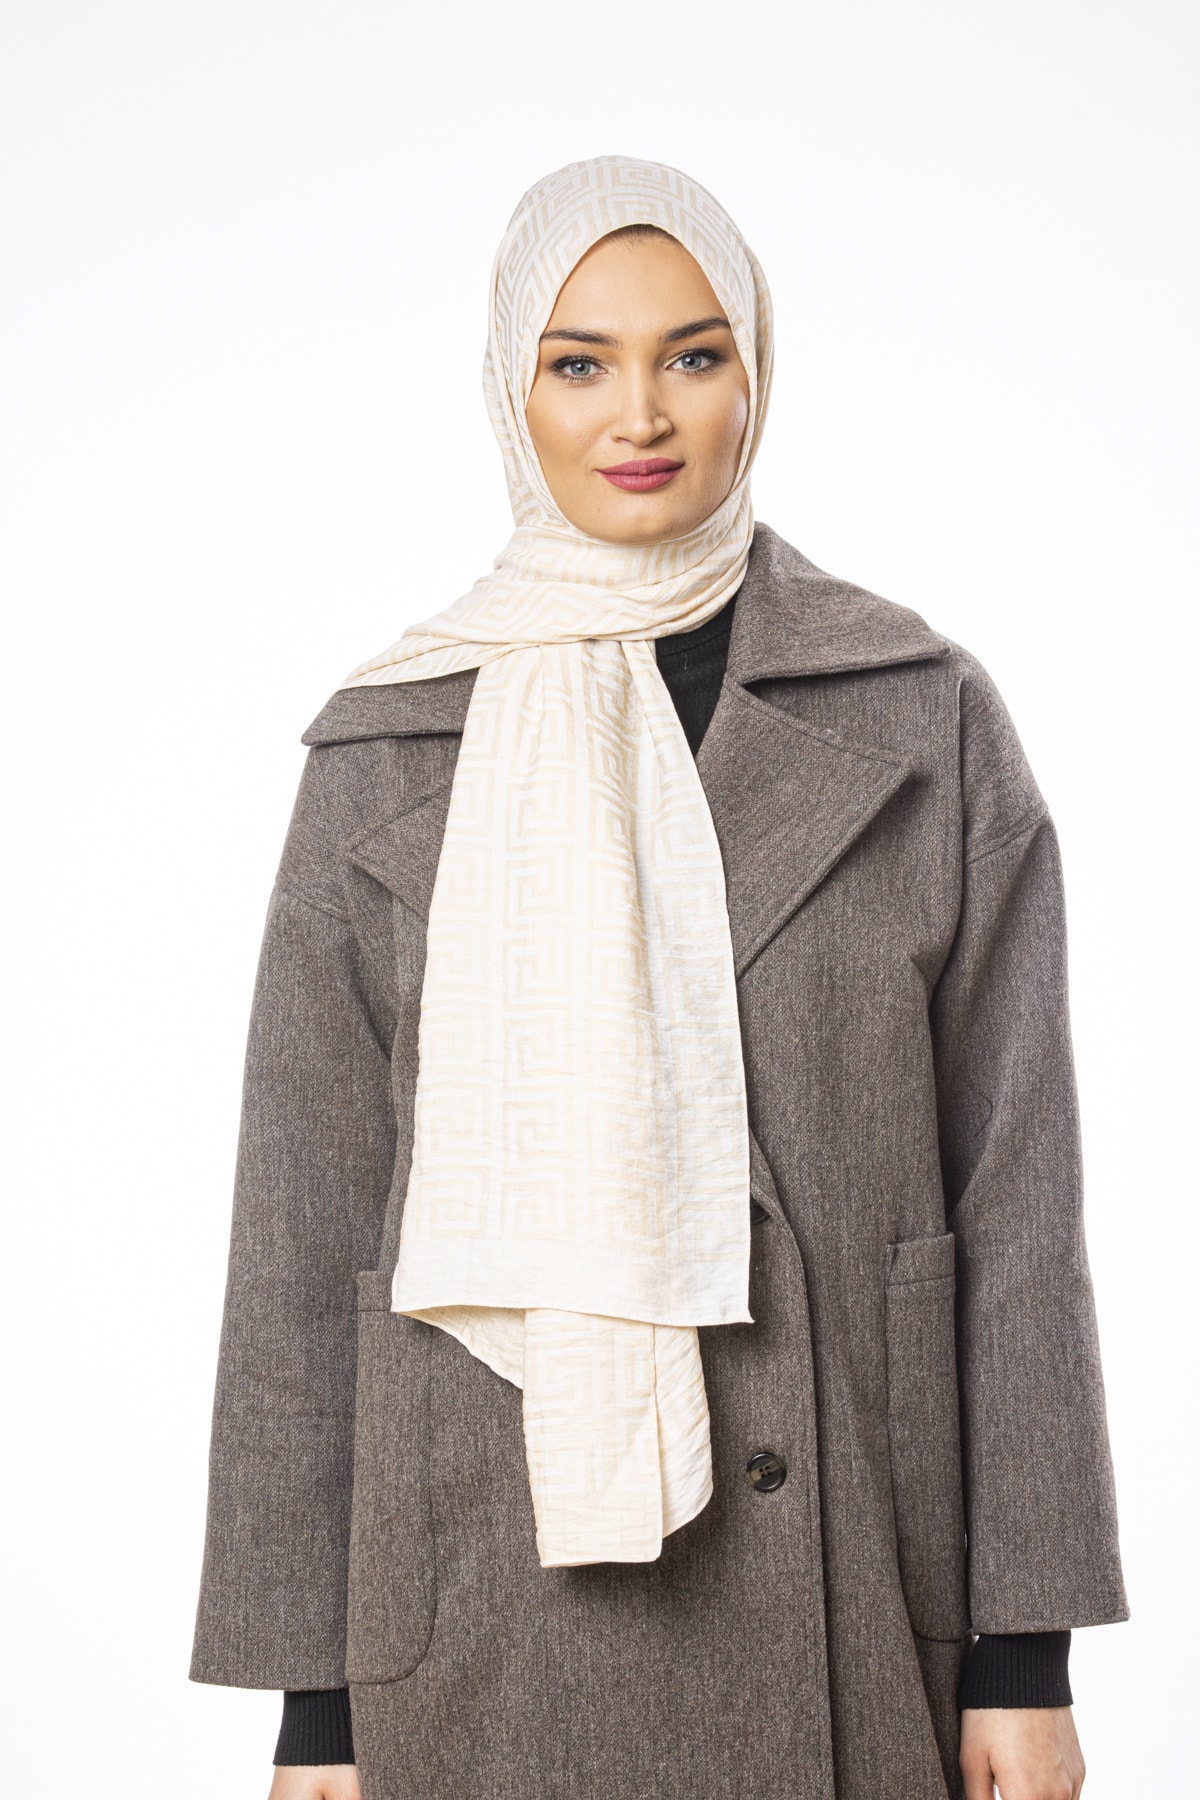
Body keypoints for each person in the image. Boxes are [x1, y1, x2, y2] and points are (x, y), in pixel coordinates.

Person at [189, 156, 1128, 1800]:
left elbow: (1018, 1201)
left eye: (694, 353)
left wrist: (1024, 1656)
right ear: (513, 385)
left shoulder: (923, 712)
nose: (641, 413)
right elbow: (302, 1234)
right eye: (581, 362)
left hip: (857, 1584)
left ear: (757, 369)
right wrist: (313, 1705)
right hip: (475, 1590)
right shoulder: (388, 748)